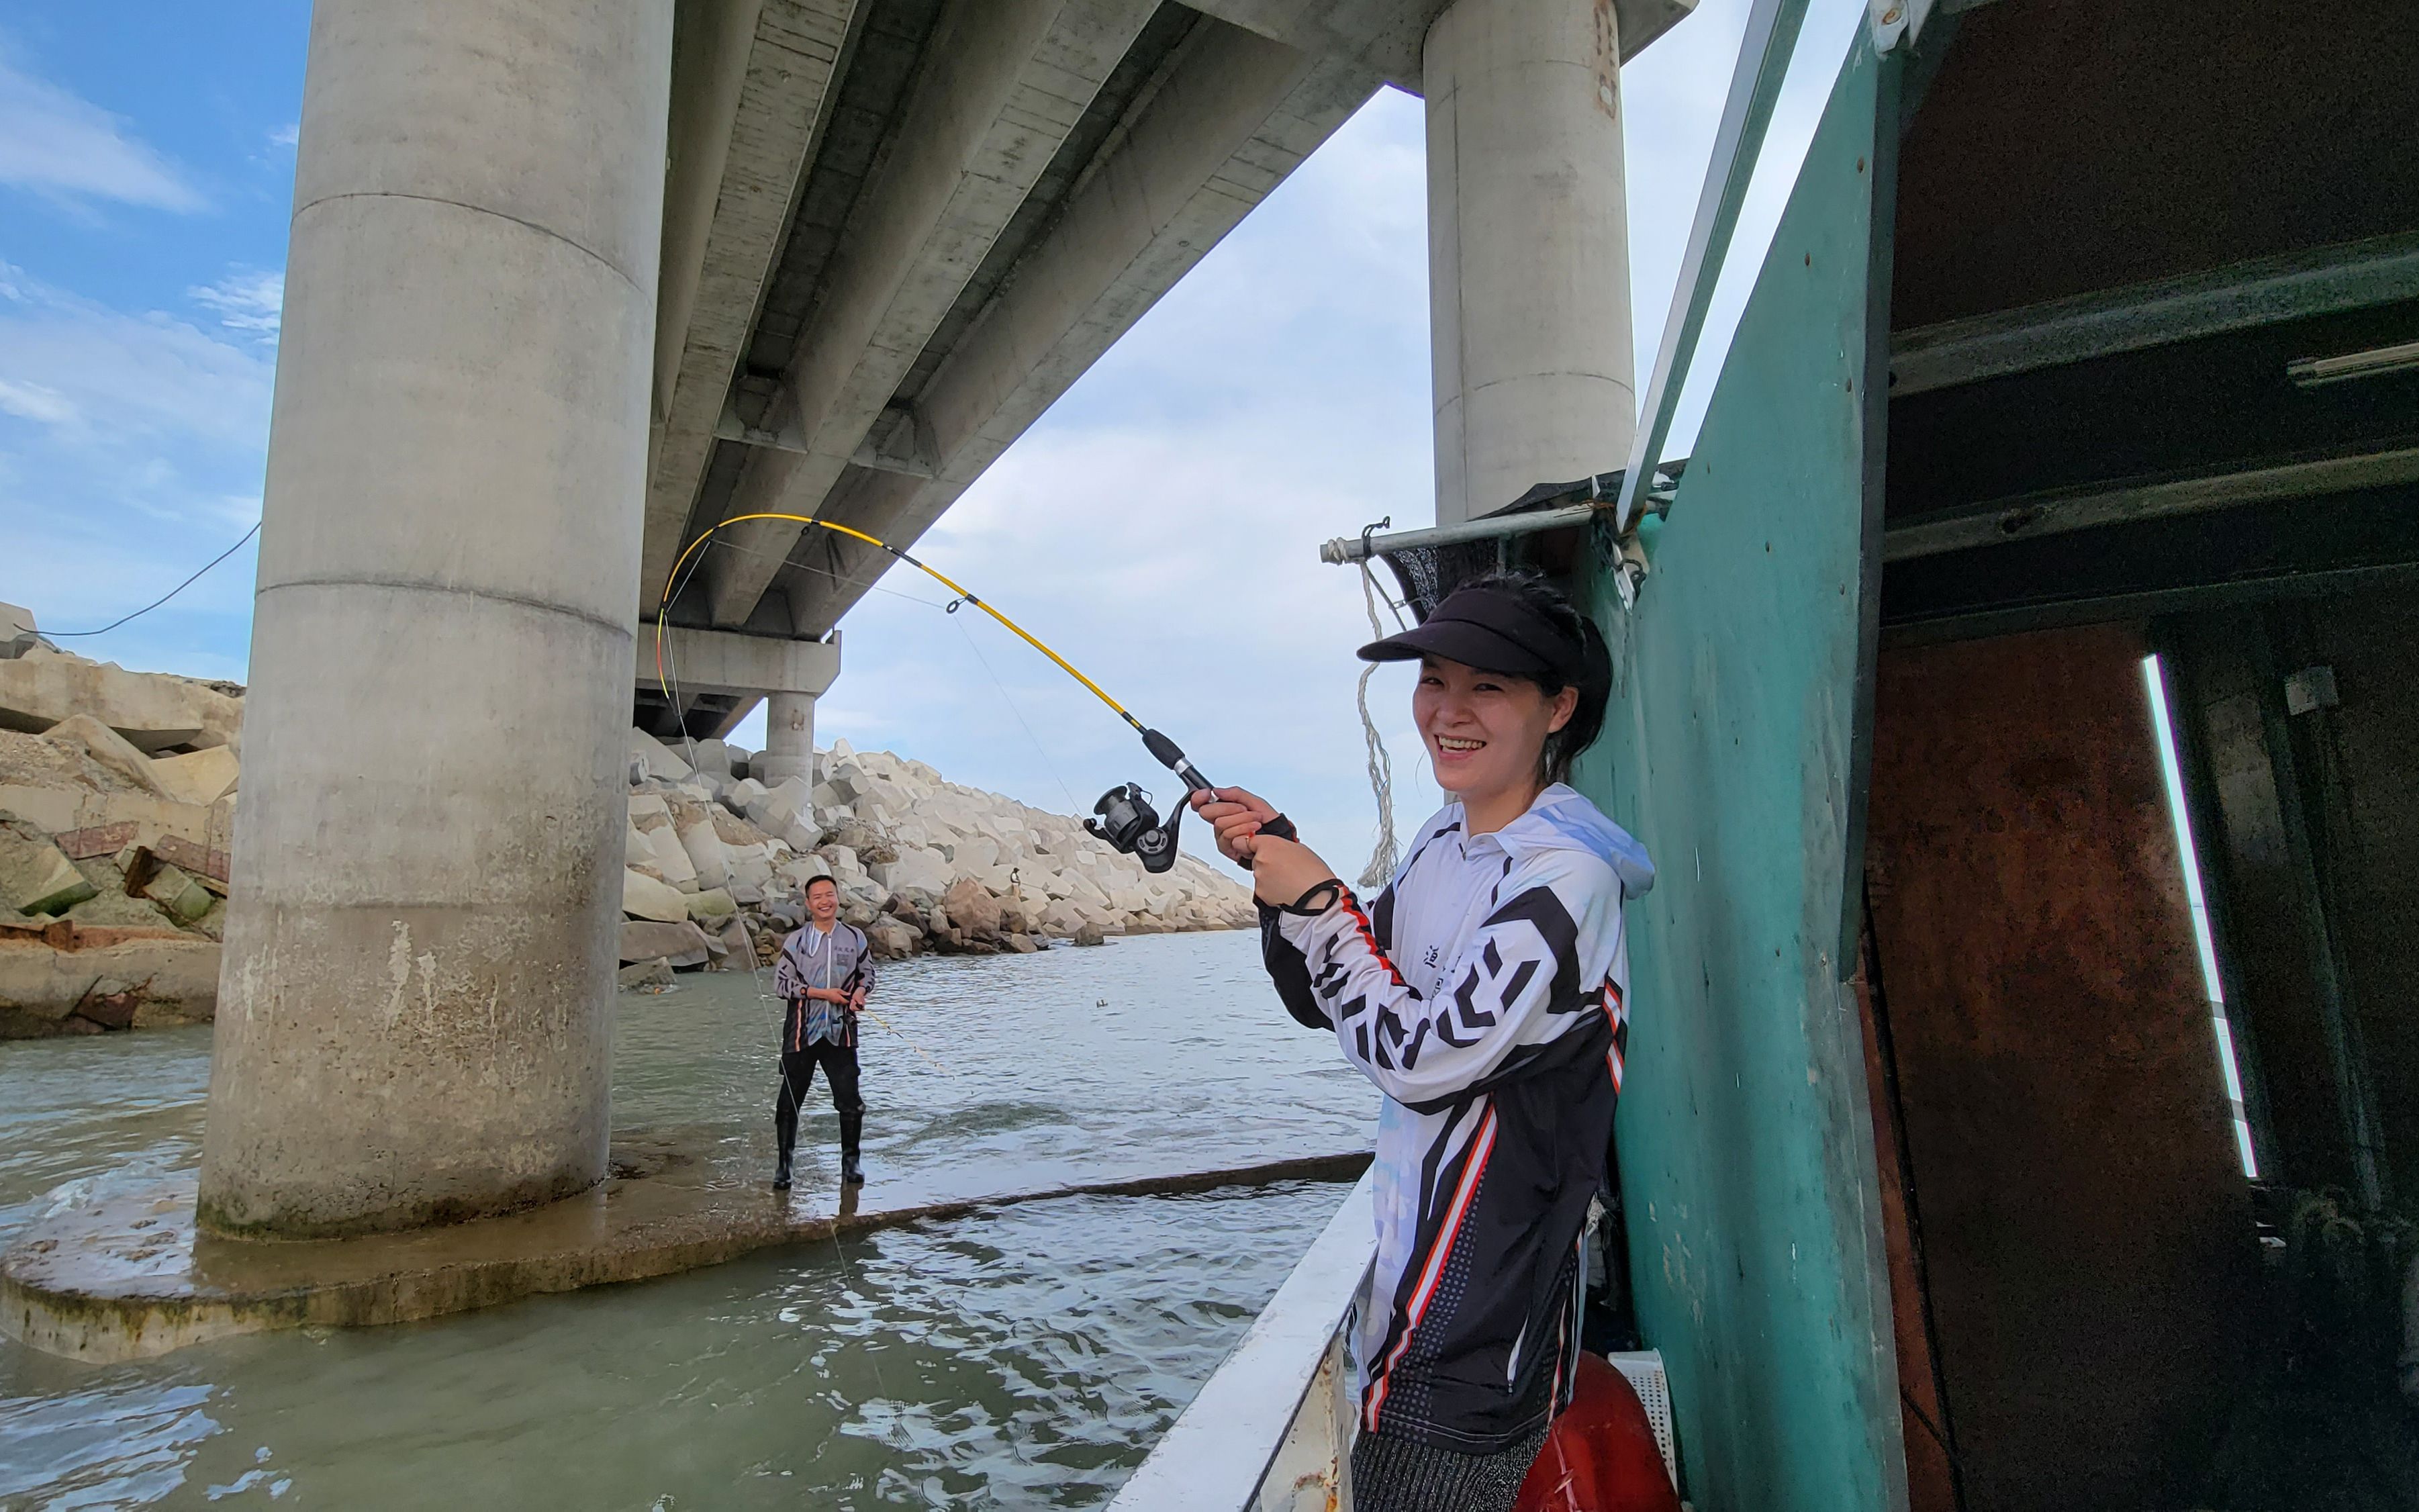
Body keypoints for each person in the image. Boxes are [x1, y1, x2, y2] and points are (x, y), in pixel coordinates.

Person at [1192, 569, 1654, 1512]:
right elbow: (1335, 998)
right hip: (1405, 1291)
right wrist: (1279, 875)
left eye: (1487, 687)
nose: (1448, 711)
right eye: (1433, 680)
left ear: (1556, 707)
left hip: (1481, 1320)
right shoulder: (1442, 841)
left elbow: (1421, 1062)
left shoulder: (1567, 883)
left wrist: (1320, 903)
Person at [770, 873, 874, 1188]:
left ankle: (851, 1162)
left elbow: (867, 974)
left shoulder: (855, 938)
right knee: (789, 1103)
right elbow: (781, 985)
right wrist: (821, 993)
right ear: (809, 904)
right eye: (818, 897)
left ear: (837, 898)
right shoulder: (796, 942)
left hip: (840, 1032)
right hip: (801, 1032)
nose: (825, 901)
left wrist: (859, 994)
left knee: (850, 1101)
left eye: (830, 895)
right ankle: (784, 1166)